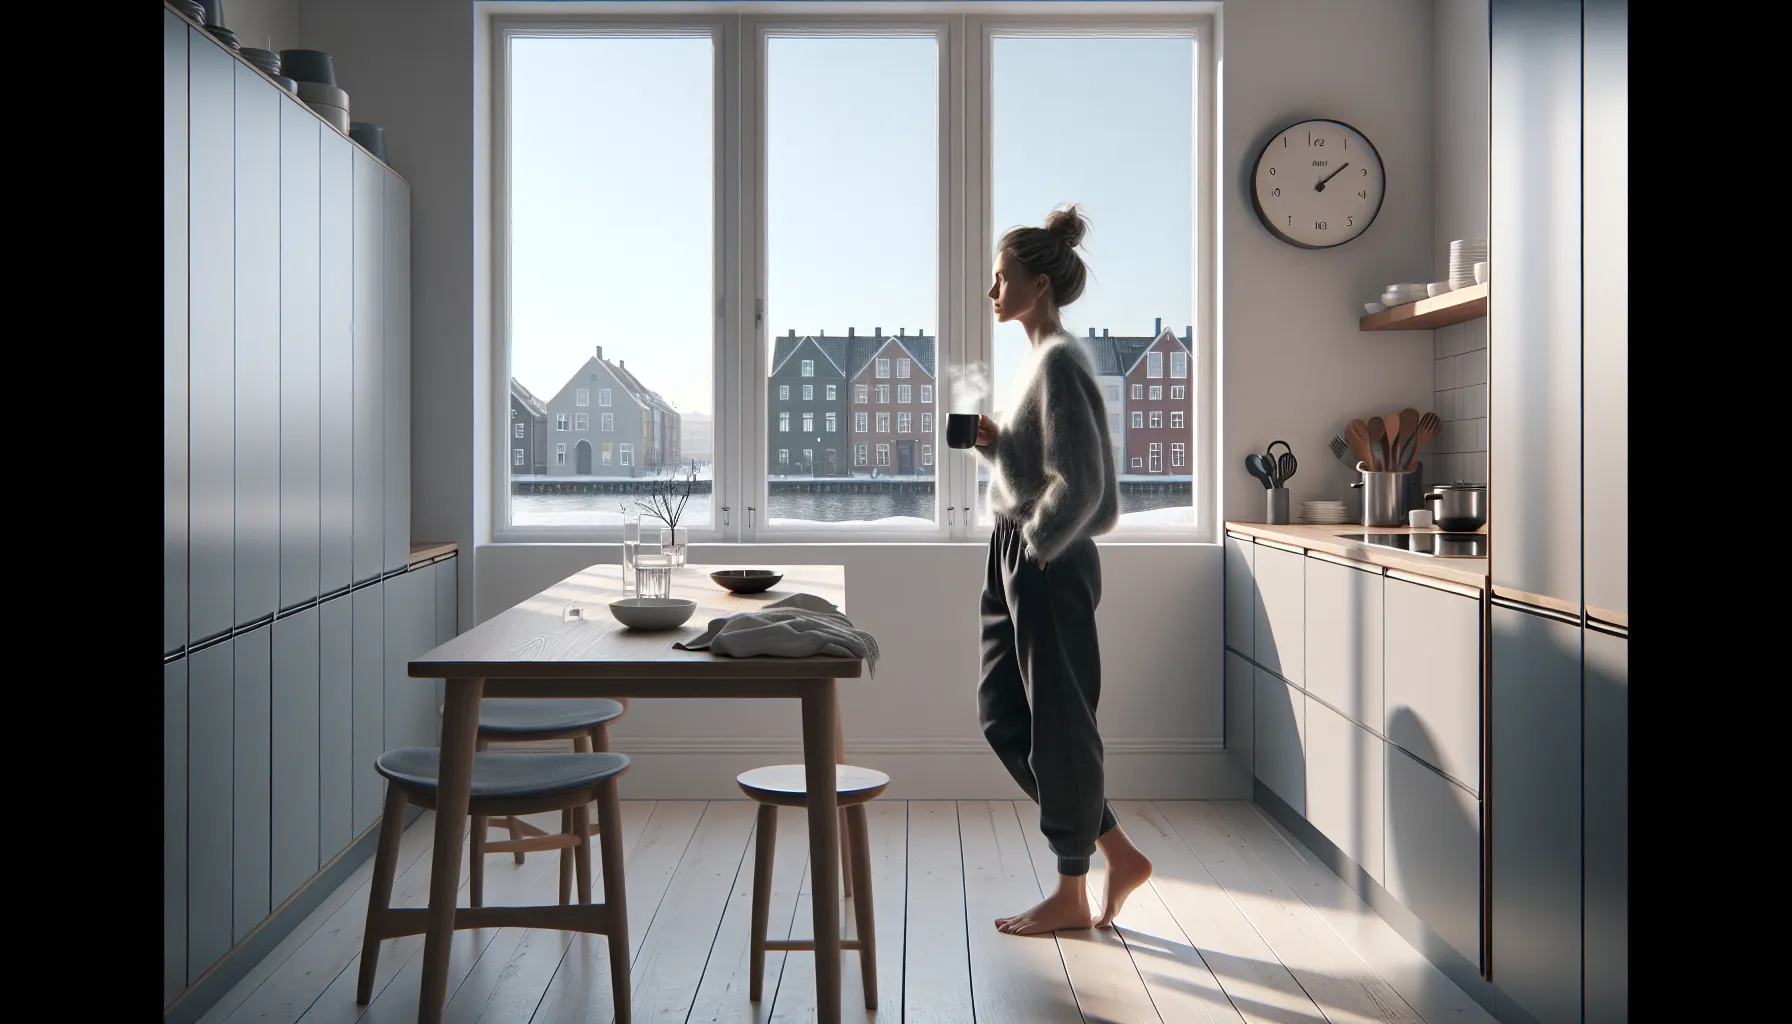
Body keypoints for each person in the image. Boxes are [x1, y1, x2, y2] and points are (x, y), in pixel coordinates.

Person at [973, 204, 1153, 935]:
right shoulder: (1037, 360)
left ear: (1038, 284)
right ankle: (1117, 850)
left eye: (1001, 278)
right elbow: (1046, 469)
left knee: (1059, 728)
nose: (992, 292)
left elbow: (1090, 489)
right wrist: (997, 446)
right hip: (1014, 546)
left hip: (1047, 554)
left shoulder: (1061, 361)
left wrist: (1041, 545)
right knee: (1004, 718)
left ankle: (1072, 890)